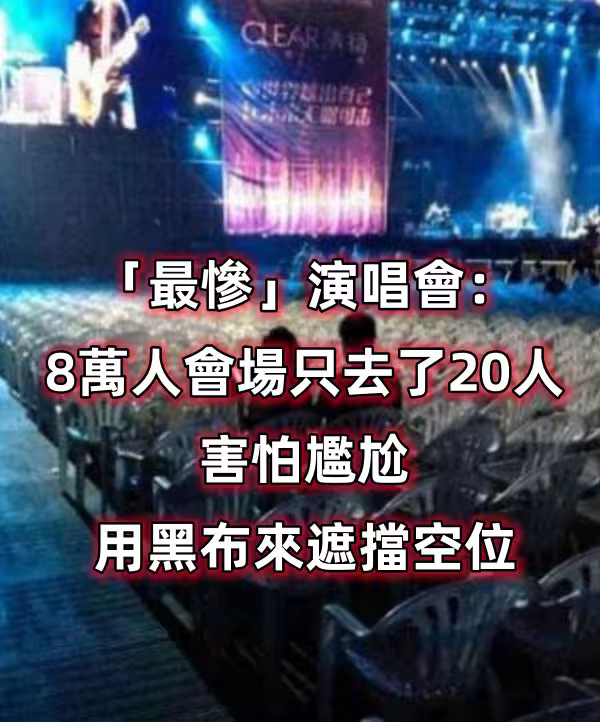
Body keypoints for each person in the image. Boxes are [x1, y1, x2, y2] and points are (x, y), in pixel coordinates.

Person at [71, 0, 145, 129]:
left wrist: (119, 60)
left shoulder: (118, 7)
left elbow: (129, 44)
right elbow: (78, 51)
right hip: (92, 88)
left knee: (127, 134)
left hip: (119, 86)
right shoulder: (83, 12)